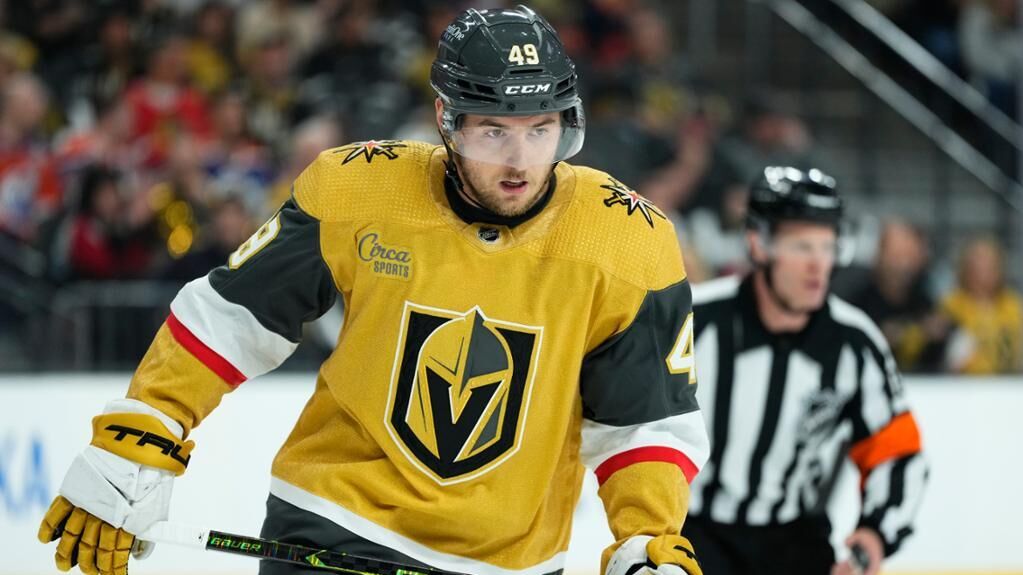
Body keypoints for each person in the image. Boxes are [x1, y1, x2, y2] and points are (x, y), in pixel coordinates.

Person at [37, 7, 710, 575]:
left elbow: (642, 421)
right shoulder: (358, 188)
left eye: (540, 131)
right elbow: (232, 316)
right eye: (493, 131)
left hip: (507, 561)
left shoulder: (630, 241)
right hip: (334, 527)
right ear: (446, 118)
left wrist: (645, 539)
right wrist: (146, 428)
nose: (519, 161)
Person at [681, 167, 928, 575]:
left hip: (795, 541)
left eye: (827, 246)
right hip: (693, 534)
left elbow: (895, 449)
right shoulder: (695, 321)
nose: (818, 265)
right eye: (801, 246)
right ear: (758, 244)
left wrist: (876, 531)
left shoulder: (853, 342)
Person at [942, 237, 1023, 374]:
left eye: (989, 267)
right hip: (962, 383)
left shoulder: (1013, 306)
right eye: (976, 267)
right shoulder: (950, 306)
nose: (982, 275)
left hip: (1009, 381)